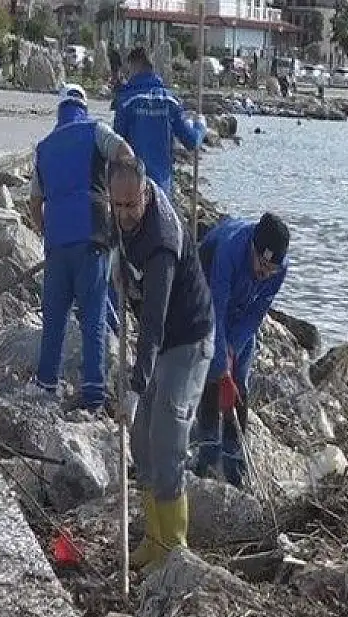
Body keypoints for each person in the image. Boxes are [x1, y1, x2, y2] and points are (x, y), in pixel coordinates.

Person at [107, 157, 214, 569]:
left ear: (147, 193)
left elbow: (152, 327)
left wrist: (135, 388)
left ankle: (175, 551)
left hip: (187, 340)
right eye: (118, 206)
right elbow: (109, 234)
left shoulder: (162, 243)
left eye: (131, 205)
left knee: (167, 440)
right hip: (161, 341)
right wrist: (115, 263)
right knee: (141, 441)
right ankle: (153, 540)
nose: (124, 214)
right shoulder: (118, 217)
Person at [28, 84, 133, 410]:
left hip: (58, 242)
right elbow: (125, 153)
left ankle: (46, 384)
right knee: (93, 317)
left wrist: (46, 229)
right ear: (83, 107)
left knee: (54, 318)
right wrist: (121, 200)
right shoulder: (95, 131)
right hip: (93, 236)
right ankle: (93, 394)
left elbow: (34, 202)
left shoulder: (44, 147)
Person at [192, 213, 289, 489]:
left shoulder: (278, 268)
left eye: (272, 269)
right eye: (262, 265)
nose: (265, 273)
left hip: (243, 308)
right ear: (252, 249)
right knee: (213, 368)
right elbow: (216, 311)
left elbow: (256, 314)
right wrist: (222, 365)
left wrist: (233, 347)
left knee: (240, 379)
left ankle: (234, 458)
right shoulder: (229, 251)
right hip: (208, 293)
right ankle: (207, 451)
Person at [113, 46, 206, 197]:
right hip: (162, 188)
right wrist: (200, 125)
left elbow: (116, 146)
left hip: (133, 188)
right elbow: (191, 141)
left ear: (133, 66)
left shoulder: (126, 102)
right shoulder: (169, 101)